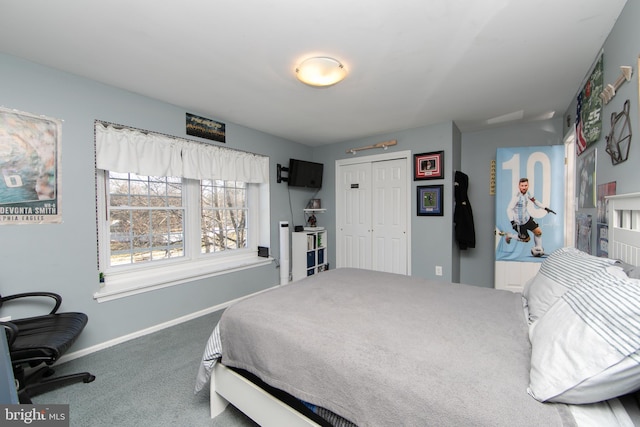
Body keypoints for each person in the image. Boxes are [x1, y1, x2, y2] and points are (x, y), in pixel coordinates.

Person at [504, 178, 555, 246]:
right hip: (519, 223)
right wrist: (512, 222)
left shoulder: (528, 193)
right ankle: (510, 236)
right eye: (522, 186)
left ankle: (538, 248)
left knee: (538, 232)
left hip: (527, 219)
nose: (524, 187)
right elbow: (509, 209)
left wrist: (545, 208)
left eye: (525, 185)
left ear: (528, 185)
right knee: (526, 240)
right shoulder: (516, 197)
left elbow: (535, 201)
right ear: (519, 186)